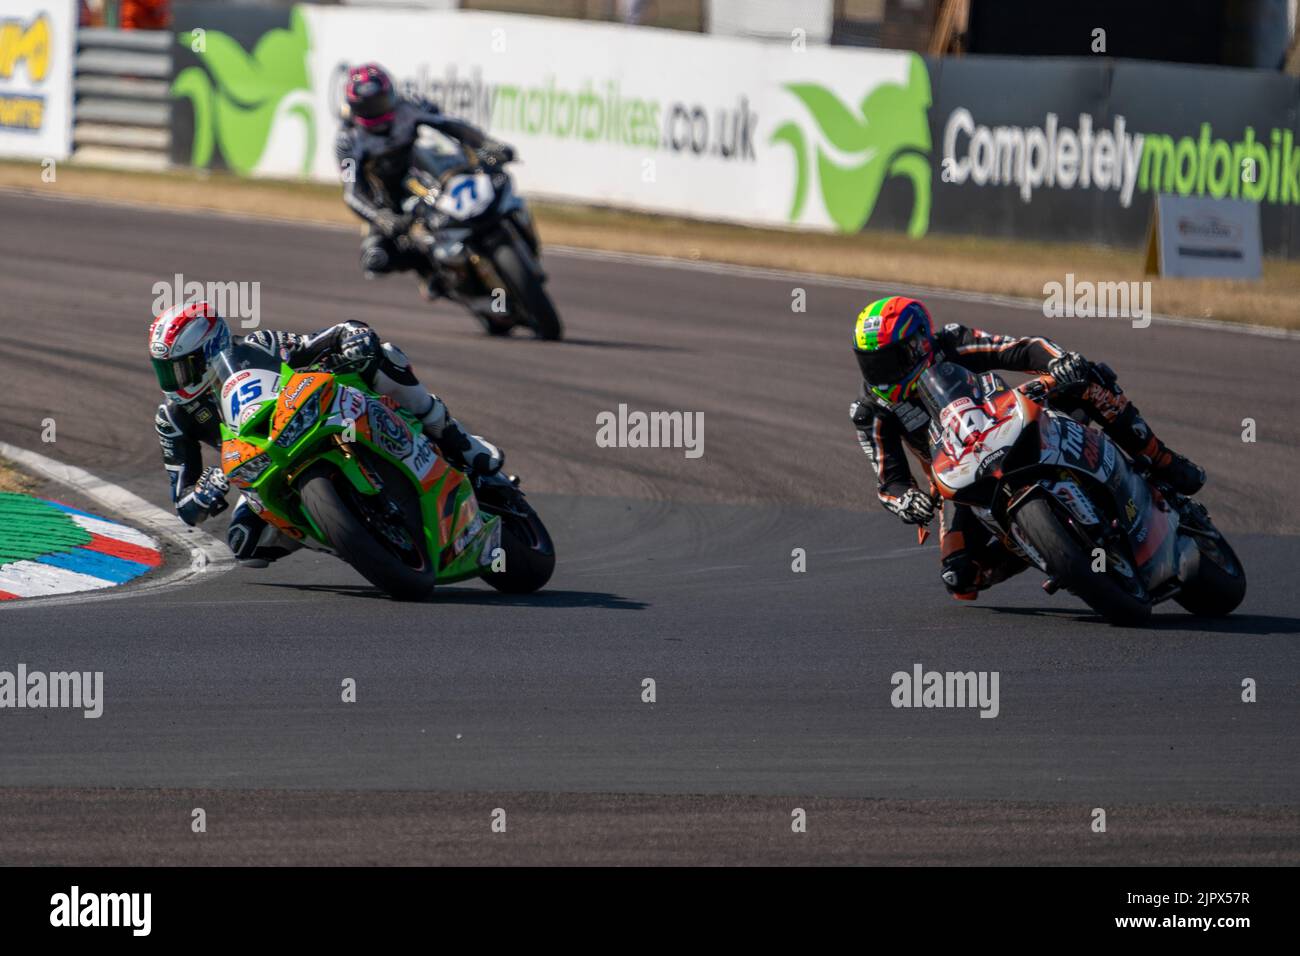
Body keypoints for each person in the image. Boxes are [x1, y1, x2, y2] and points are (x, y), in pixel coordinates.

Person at [848, 295, 1205, 599]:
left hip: (1009, 425)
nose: (878, 373)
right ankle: (1050, 550)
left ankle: (1161, 459)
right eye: (869, 363)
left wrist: (1058, 361)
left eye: (887, 360)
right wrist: (906, 500)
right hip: (958, 476)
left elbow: (1020, 349)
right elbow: (889, 480)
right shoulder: (871, 412)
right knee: (960, 579)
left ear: (919, 344)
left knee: (1085, 378)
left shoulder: (951, 343)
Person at [149, 301, 502, 566]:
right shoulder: (173, 416)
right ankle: (349, 535)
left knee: (382, 356)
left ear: (210, 349)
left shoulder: (259, 345)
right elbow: (183, 504)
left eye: (182, 368)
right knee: (246, 545)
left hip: (313, 416)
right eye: (166, 371)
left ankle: (458, 440)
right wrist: (203, 496)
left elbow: (321, 341)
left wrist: (352, 334)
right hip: (263, 460)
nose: (174, 381)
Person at [335, 63, 515, 297]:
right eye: (369, 105)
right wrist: (380, 216)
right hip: (385, 197)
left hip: (426, 170)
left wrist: (486, 145)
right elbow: (352, 191)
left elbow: (453, 125)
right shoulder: (348, 140)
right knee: (376, 258)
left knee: (493, 176)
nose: (378, 109)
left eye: (381, 100)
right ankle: (430, 273)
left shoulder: (408, 107)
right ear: (355, 108)